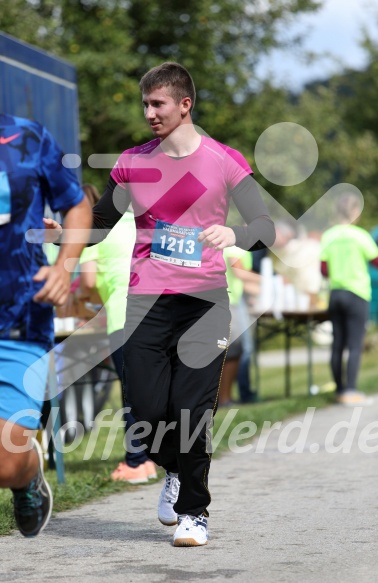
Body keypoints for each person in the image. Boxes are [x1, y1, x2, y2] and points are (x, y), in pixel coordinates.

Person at [91, 62, 275, 546]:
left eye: (159, 104)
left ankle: (195, 512)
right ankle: (172, 470)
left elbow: (266, 226)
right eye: (145, 104)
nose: (149, 113)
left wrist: (235, 232)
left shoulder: (223, 160)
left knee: (191, 411)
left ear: (184, 104)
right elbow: (98, 222)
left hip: (204, 301)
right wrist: (60, 232)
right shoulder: (134, 162)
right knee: (148, 413)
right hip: (146, 299)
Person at [0, 113, 91, 537]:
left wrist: (64, 266)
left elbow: (75, 203)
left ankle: (28, 472)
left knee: (6, 461)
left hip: (20, 317)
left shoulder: (27, 137)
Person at [75, 193, 157, 483]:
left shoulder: (93, 232)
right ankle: (151, 459)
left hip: (123, 317)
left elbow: (86, 283)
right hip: (157, 314)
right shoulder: (143, 222)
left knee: (132, 394)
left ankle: (136, 462)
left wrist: (97, 297)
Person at [320, 192, 378, 405]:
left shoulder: (328, 236)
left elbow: (323, 270)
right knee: (355, 344)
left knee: (337, 343)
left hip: (336, 293)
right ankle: (350, 391)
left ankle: (339, 390)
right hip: (357, 293)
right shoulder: (361, 236)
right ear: (356, 211)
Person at [219, 246, 260, 406]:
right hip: (227, 302)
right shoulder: (235, 245)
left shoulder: (242, 247)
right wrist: (268, 279)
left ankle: (226, 398)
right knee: (232, 349)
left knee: (235, 349)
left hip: (234, 301)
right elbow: (239, 272)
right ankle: (224, 399)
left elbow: (241, 280)